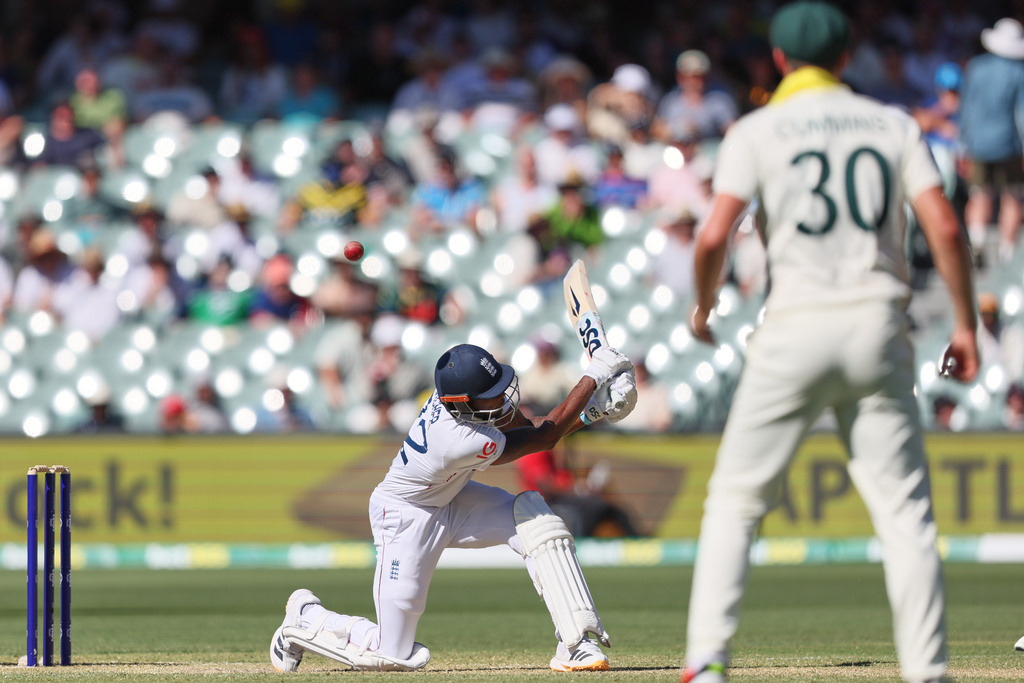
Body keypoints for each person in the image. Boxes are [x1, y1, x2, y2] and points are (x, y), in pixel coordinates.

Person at [681, 5, 980, 683]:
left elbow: (710, 237)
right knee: (904, 514)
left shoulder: (754, 129)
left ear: (780, 61)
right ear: (847, 58)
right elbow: (947, 228)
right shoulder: (894, 124)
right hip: (878, 324)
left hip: (793, 325)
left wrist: (703, 306)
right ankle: (928, 671)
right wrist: (964, 324)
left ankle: (705, 663)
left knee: (736, 499)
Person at [270, 343, 637, 673]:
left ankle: (577, 642)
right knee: (391, 654)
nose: (502, 398)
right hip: (405, 517)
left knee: (536, 520)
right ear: (461, 402)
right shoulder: (460, 441)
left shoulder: (465, 404)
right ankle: (305, 618)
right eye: (491, 395)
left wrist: (590, 413)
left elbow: (529, 426)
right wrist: (593, 378)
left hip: (450, 497)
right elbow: (543, 437)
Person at [959, 18, 1024, 264]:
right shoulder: (1018, 73)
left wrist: (962, 145)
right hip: (1009, 145)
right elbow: (1021, 114)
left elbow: (966, 109)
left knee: (979, 195)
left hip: (977, 144)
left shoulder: (975, 67)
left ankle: (977, 243)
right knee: (1012, 197)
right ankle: (1007, 254)